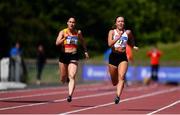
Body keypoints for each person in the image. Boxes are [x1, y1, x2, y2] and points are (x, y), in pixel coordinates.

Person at [55, 17, 89, 102]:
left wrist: (85, 51)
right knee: (63, 79)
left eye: (73, 22)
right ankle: (65, 78)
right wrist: (64, 38)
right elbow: (57, 43)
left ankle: (70, 95)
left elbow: (83, 41)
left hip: (73, 55)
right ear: (67, 23)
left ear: (75, 24)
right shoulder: (63, 32)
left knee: (72, 76)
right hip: (63, 55)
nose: (71, 24)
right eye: (70, 22)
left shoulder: (78, 32)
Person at [107, 16, 138, 104]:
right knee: (114, 82)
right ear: (116, 23)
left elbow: (131, 39)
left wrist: (133, 45)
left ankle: (117, 96)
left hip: (122, 57)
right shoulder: (112, 32)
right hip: (113, 57)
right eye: (119, 21)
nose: (120, 23)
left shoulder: (127, 32)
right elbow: (109, 44)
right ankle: (118, 85)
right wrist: (118, 37)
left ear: (124, 23)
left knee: (122, 77)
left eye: (122, 21)